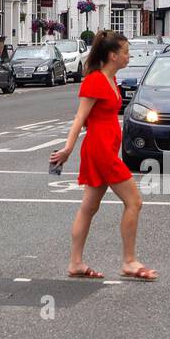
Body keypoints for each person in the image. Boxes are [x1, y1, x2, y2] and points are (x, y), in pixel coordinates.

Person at [49, 31, 157, 281]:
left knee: (89, 207)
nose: (129, 56)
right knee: (134, 202)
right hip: (99, 149)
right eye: (126, 52)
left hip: (106, 148)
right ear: (113, 55)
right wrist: (67, 148)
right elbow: (80, 118)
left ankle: (75, 263)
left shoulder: (112, 80)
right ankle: (129, 261)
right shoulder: (95, 81)